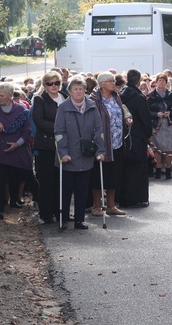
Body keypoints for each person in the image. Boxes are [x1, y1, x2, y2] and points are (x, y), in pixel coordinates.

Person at [0, 82, 39, 221]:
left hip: (18, 152)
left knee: (28, 178)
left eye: (2, 96)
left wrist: (17, 144)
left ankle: (43, 204)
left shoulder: (21, 110)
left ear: (10, 96)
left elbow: (27, 132)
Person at [54, 76, 106, 230]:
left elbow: (99, 130)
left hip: (86, 156)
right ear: (70, 91)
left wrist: (100, 150)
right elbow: (59, 132)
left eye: (81, 89)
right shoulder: (63, 108)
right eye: (75, 89)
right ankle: (63, 219)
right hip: (68, 156)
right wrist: (63, 152)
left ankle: (79, 220)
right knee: (66, 190)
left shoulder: (91, 106)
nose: (78, 92)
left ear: (85, 91)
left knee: (82, 190)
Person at [31, 71, 68, 224]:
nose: (54, 86)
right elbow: (39, 121)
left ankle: (61, 212)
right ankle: (46, 213)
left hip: (64, 145)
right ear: (45, 86)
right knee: (47, 180)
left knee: (63, 181)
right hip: (47, 145)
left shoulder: (65, 97)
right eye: (50, 83)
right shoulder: (39, 99)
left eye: (57, 83)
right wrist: (59, 128)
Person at [90, 72, 128, 217]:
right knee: (98, 175)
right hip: (102, 143)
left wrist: (127, 119)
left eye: (114, 81)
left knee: (114, 174)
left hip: (117, 142)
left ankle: (111, 205)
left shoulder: (116, 97)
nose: (113, 83)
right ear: (101, 84)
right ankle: (97, 206)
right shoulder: (94, 99)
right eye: (110, 81)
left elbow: (122, 112)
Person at [118, 69, 154, 208]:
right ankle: (137, 197)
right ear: (139, 81)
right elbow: (146, 118)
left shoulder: (120, 95)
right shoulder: (139, 98)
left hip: (123, 136)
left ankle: (123, 197)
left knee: (124, 168)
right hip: (137, 136)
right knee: (138, 169)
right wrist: (148, 134)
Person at [147, 73, 172, 179]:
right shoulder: (150, 96)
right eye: (159, 80)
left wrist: (170, 112)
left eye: (163, 81)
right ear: (156, 82)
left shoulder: (170, 95)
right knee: (157, 148)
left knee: (168, 148)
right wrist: (156, 114)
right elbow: (147, 111)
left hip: (167, 124)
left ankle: (168, 169)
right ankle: (158, 169)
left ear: (166, 83)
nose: (161, 82)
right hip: (156, 124)